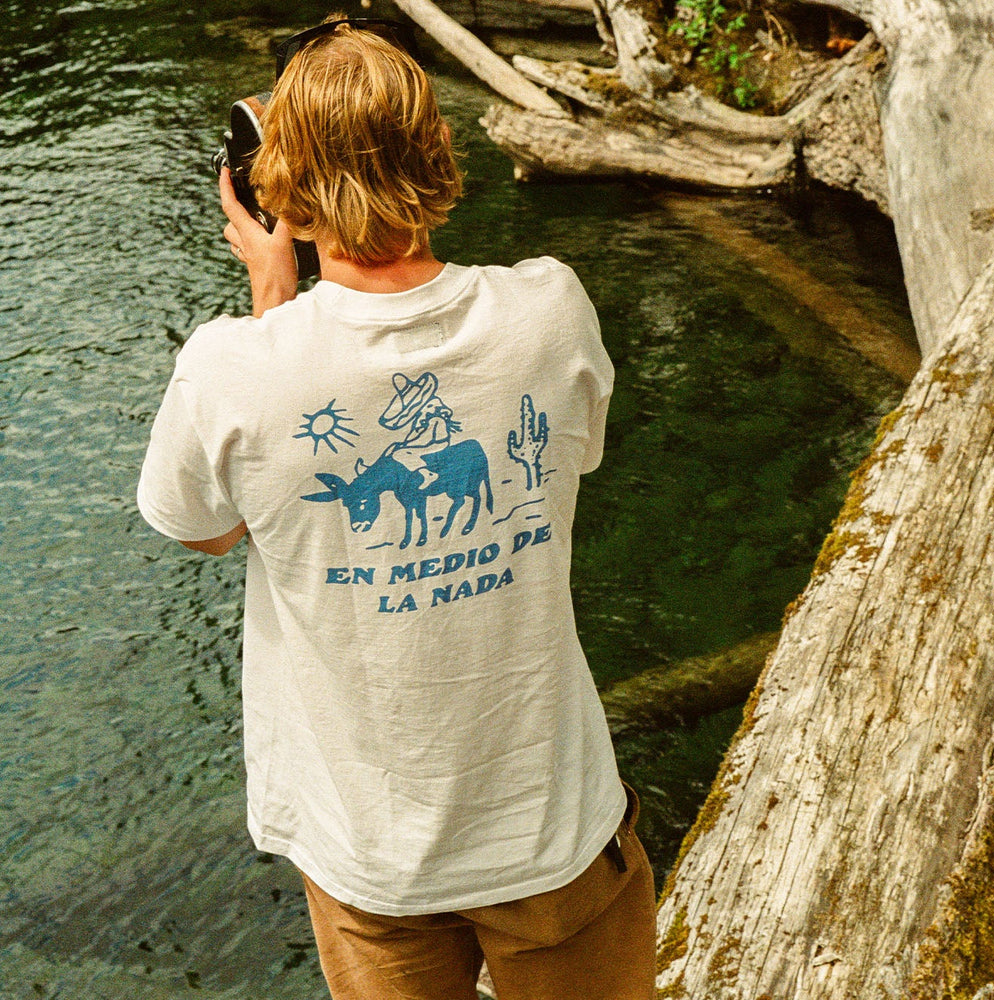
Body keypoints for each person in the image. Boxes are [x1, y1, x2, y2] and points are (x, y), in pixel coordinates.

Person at [137, 18, 656, 1000]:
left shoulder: (232, 367)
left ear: (277, 181)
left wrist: (269, 294)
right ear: (437, 148)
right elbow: (572, 455)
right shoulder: (551, 309)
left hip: (369, 861)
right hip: (548, 834)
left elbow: (205, 525)